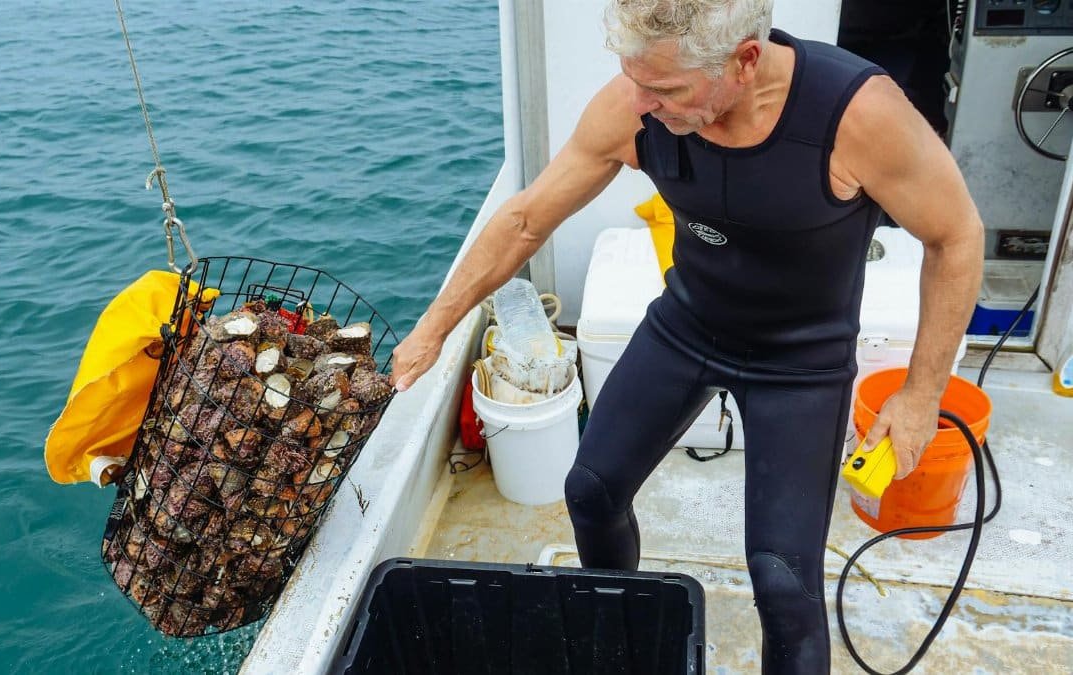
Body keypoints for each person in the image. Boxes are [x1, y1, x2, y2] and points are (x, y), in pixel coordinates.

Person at [390, 1, 984, 671]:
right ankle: (627, 643)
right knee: (590, 489)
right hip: (690, 323)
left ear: (745, 61)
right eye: (634, 78)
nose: (641, 103)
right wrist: (435, 326)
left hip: (803, 360)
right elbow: (527, 220)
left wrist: (921, 392)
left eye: (667, 89)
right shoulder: (633, 104)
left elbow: (955, 234)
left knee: (783, 581)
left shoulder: (857, 115)